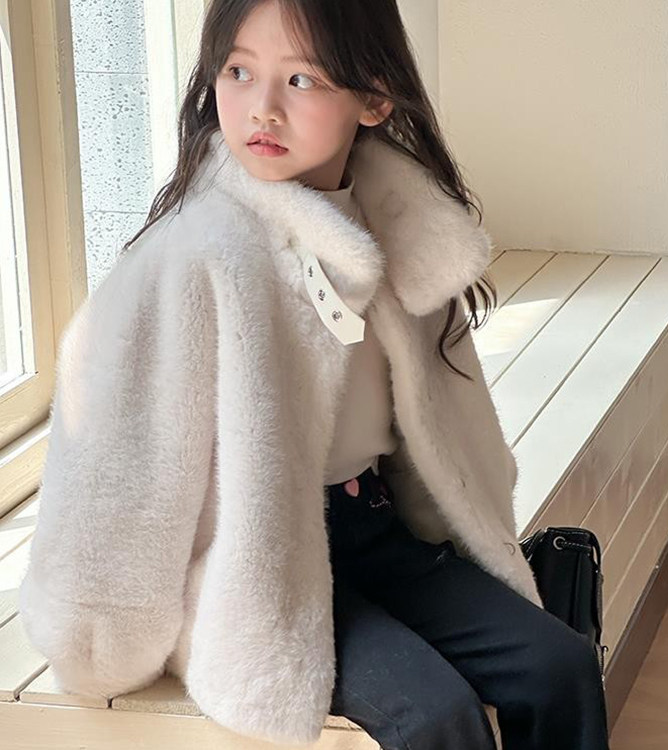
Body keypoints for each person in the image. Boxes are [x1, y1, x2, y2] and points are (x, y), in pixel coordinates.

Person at [18, 1, 611, 748]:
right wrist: (100, 635)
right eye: (238, 71)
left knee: (559, 665)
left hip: (376, 529)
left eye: (301, 79)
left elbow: (434, 425)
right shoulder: (193, 255)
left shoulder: (399, 227)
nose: (262, 107)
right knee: (436, 715)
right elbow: (117, 462)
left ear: (374, 97)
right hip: (258, 563)